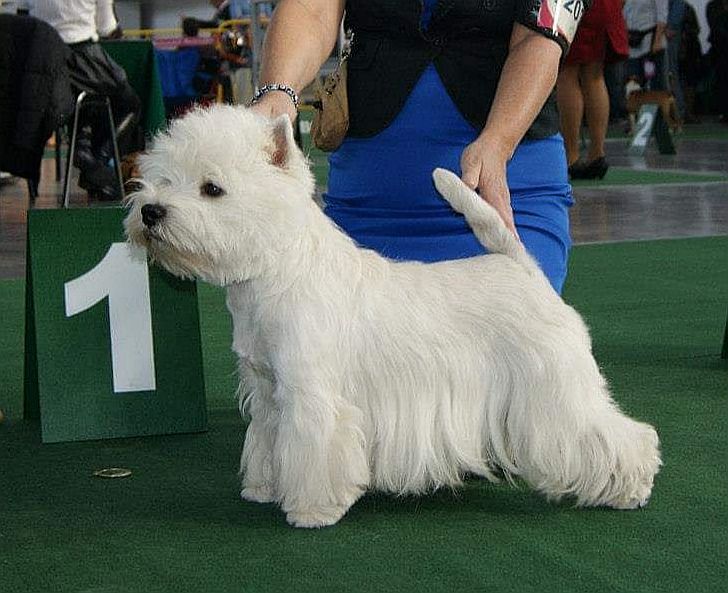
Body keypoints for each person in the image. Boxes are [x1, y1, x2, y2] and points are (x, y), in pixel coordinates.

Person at [250, 0, 590, 295]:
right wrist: (278, 92)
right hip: (369, 207)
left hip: (506, 192)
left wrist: (499, 142)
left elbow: (539, 38)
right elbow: (312, 9)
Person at [29, 0, 142, 200]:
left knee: (81, 100)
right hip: (83, 56)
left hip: (42, 64)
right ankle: (98, 159)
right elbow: (107, 27)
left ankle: (84, 146)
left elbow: (24, 18)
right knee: (129, 104)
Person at [556, 0, 628, 179]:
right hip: (607, 6)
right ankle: (597, 153)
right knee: (595, 74)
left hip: (574, 7)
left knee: (567, 72)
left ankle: (571, 157)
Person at [623, 0, 669, 90]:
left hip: (651, 46)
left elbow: (662, 16)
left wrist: (657, 42)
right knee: (633, 87)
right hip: (631, 46)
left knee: (655, 85)